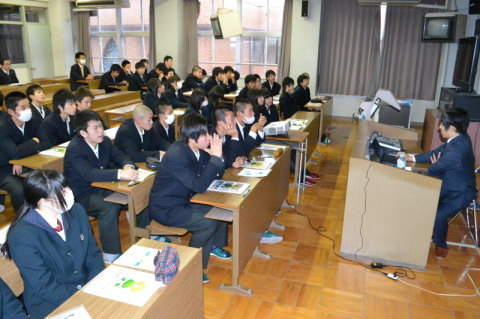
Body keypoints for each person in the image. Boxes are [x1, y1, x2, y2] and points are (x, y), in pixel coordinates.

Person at [2, 170, 105, 319]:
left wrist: (94, 286)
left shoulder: (76, 211)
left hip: (87, 287)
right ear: (43, 202)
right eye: (62, 192)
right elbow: (44, 285)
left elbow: (92, 253)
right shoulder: (21, 236)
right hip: (52, 303)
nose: (69, 193)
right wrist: (82, 297)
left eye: (66, 188)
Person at [149, 113, 231, 283]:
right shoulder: (177, 155)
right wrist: (214, 158)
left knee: (221, 208)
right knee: (208, 222)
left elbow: (215, 175)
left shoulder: (197, 148)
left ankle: (214, 245)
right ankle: (191, 265)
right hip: (167, 208)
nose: (209, 137)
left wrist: (217, 158)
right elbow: (199, 185)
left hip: (185, 200)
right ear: (192, 139)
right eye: (205, 135)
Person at [63, 110, 148, 263]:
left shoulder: (105, 141)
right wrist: (120, 174)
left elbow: (120, 156)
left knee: (138, 192)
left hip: (103, 187)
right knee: (109, 207)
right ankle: (110, 253)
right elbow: (89, 174)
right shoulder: (75, 149)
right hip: (82, 194)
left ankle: (146, 232)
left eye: (101, 126)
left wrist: (128, 166)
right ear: (83, 133)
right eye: (95, 128)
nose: (100, 131)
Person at [398, 108, 477, 259]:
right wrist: (411, 158)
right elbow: (435, 154)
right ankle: (423, 231)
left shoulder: (456, 150)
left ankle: (441, 246)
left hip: (460, 192)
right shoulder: (459, 138)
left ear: (452, 128)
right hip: (449, 183)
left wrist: (438, 164)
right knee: (423, 202)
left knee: (438, 214)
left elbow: (433, 169)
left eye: (442, 124)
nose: (439, 127)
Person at [0, 91, 51, 212]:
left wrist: (19, 158)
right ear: (11, 112)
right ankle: (22, 219)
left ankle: (44, 213)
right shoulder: (2, 127)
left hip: (25, 163)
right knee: (19, 190)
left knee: (48, 179)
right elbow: (14, 153)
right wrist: (34, 142)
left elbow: (46, 143)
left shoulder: (31, 121)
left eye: (28, 106)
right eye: (23, 108)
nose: (28, 110)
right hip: (4, 169)